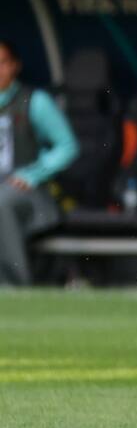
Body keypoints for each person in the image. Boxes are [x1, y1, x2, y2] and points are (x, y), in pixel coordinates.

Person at [0, 39, 78, 286]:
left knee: (1, 202)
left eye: (1, 63)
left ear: (15, 66)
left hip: (27, 192)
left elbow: (67, 146)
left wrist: (33, 174)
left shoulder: (35, 101)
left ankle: (12, 287)